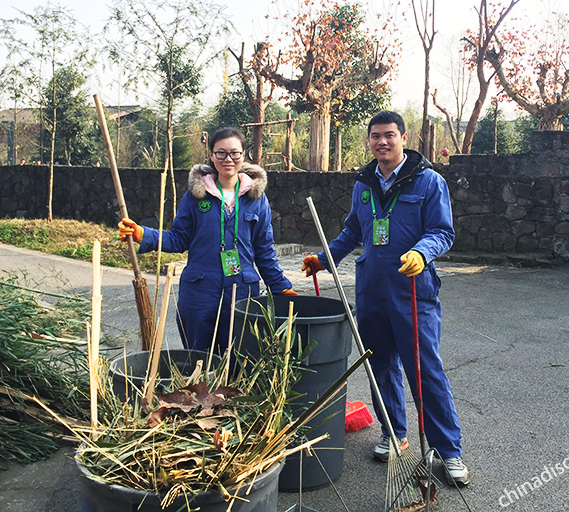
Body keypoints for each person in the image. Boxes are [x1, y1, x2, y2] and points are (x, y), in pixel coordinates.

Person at [301, 111, 469, 486]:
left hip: (412, 291)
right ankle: (394, 434)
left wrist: (422, 252)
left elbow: (442, 232)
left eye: (389, 135)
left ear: (404, 138)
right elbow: (351, 232)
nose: (382, 142)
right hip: (372, 291)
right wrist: (325, 259)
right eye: (375, 136)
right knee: (381, 367)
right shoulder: (364, 184)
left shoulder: (429, 182)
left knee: (425, 371)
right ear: (370, 141)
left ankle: (448, 450)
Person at [119, 127, 297, 354]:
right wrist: (143, 234)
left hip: (241, 290)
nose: (228, 159)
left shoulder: (257, 199)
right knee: (199, 358)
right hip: (199, 292)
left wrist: (281, 287)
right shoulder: (196, 195)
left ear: (244, 155)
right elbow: (179, 238)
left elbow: (264, 252)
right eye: (220, 153)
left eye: (234, 153)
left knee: (238, 359)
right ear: (211, 156)